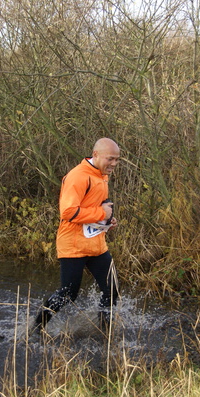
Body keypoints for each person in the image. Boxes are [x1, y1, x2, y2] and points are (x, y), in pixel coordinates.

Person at [32, 138, 120, 335]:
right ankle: (37, 329)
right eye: (110, 159)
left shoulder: (101, 174)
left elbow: (95, 207)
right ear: (96, 155)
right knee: (68, 293)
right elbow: (68, 212)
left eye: (117, 160)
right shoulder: (78, 176)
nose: (114, 164)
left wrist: (107, 221)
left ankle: (105, 332)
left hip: (97, 245)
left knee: (112, 290)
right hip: (73, 245)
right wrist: (101, 214)